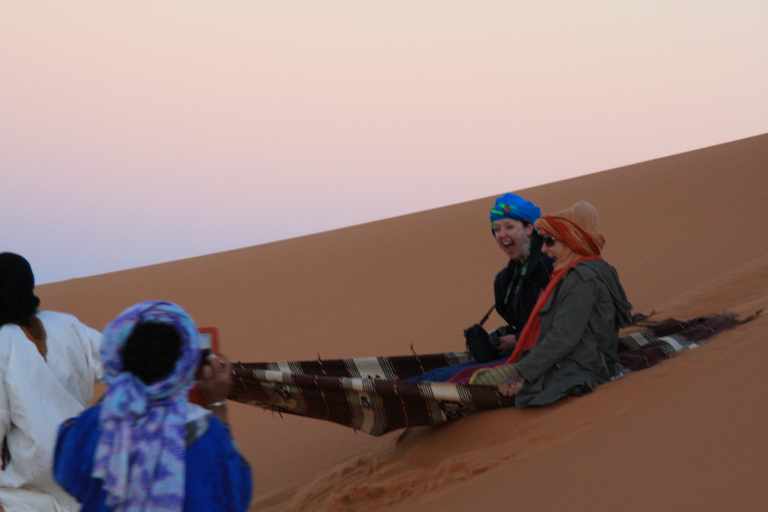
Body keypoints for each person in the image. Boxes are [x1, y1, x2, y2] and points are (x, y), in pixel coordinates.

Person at [53, 300, 252, 512]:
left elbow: (67, 476)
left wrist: (118, 393)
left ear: (117, 356)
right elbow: (235, 498)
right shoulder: (210, 434)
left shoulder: (90, 427)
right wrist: (218, 406)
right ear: (186, 365)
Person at [459, 201, 633, 407]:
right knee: (464, 376)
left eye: (549, 241)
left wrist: (522, 374)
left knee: (475, 383)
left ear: (571, 241)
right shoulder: (585, 271)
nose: (543, 249)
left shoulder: (582, 278)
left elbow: (563, 336)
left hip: (577, 366)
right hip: (565, 360)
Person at [0, 252, 104, 512]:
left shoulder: (1, 343)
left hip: (24, 497)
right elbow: (124, 362)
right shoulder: (68, 326)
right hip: (80, 475)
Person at [409, 193, 552, 381]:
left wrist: (517, 340)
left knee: (450, 378)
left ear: (529, 227)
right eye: (497, 229)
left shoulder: (548, 265)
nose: (502, 235)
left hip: (539, 358)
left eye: (510, 226)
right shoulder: (508, 277)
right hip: (520, 351)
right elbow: (526, 320)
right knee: (435, 374)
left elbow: (562, 324)